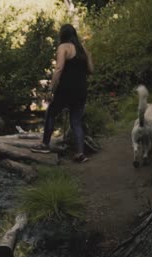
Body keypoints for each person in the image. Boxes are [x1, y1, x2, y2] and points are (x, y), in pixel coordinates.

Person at [30, 24, 94, 163]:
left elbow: (58, 69)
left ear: (62, 35)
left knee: (51, 113)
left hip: (66, 89)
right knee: (76, 121)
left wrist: (50, 89)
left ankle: (45, 145)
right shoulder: (83, 49)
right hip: (81, 89)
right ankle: (80, 153)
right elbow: (91, 70)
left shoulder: (63, 47)